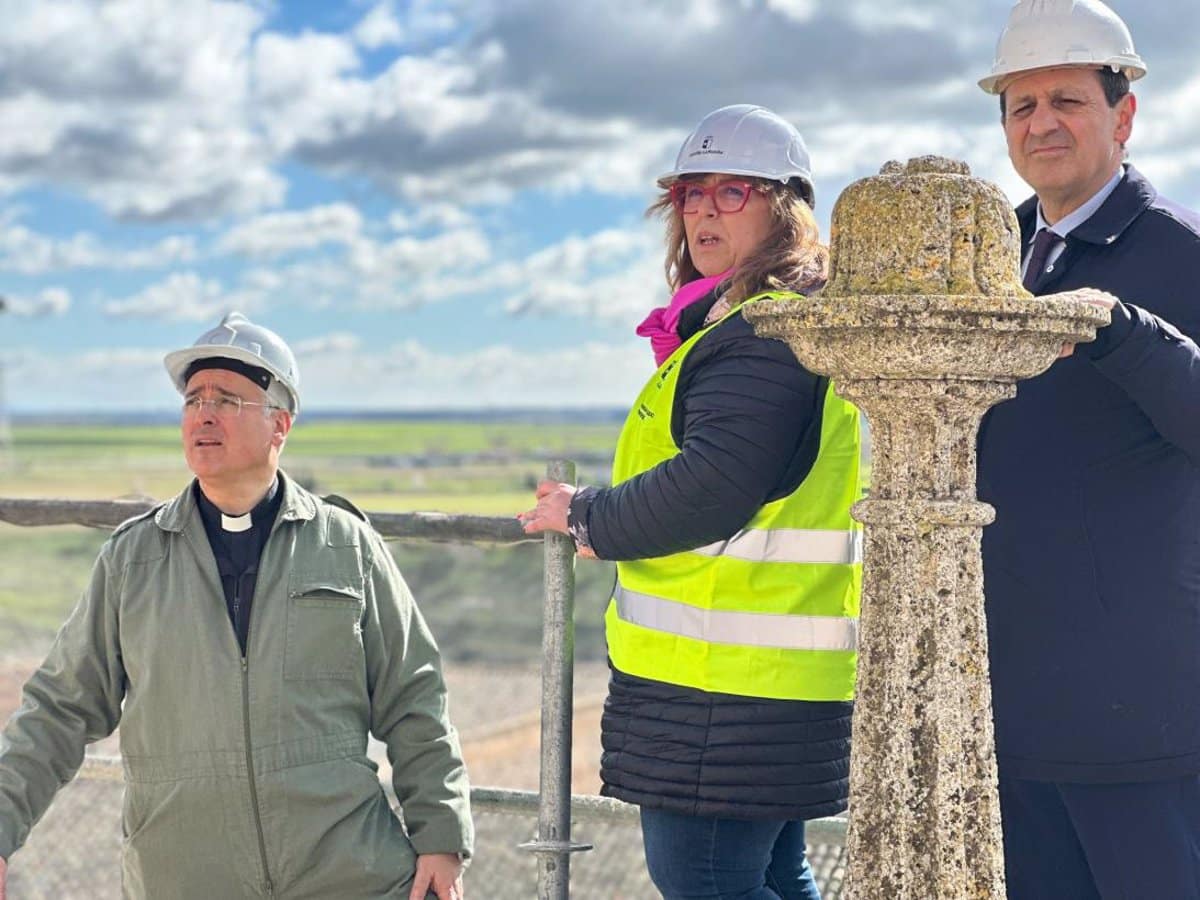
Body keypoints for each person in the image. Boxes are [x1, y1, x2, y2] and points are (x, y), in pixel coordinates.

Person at [0, 313, 473, 900]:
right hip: (183, 878)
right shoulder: (133, 561)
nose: (203, 413)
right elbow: (59, 709)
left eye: (227, 399)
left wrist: (442, 836)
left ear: (281, 424)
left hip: (346, 875)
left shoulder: (346, 546)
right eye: (194, 399)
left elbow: (414, 695)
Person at [520, 105, 862, 900]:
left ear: (786, 208)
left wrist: (586, 514)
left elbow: (716, 482)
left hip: (724, 690)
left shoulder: (767, 332)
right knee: (778, 875)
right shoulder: (765, 323)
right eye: (691, 193)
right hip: (759, 680)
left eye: (733, 191)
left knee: (706, 883)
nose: (704, 209)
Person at [976, 2, 1200, 897]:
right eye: (1021, 106)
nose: (1041, 124)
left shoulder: (1180, 256)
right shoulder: (997, 256)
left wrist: (1128, 334)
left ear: (1124, 114)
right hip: (1011, 706)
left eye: (1066, 99)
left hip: (1141, 718)